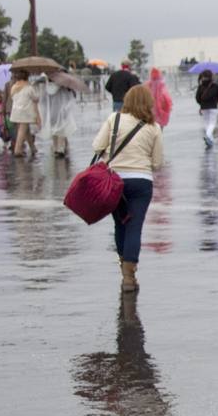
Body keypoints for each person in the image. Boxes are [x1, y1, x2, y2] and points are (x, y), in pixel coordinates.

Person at [92, 85, 165, 292]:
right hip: (141, 182)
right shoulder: (154, 128)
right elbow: (158, 163)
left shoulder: (113, 120)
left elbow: (97, 146)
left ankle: (124, 268)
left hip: (114, 180)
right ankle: (129, 277)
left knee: (119, 224)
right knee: (134, 226)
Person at [33, 74, 78, 158]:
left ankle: (55, 147)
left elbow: (42, 100)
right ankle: (60, 149)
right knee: (61, 130)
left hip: (50, 112)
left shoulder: (44, 86)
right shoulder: (62, 85)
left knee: (53, 130)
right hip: (61, 111)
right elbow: (69, 98)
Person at [9, 69, 38, 157]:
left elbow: (12, 97)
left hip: (15, 111)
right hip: (25, 112)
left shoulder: (14, 87)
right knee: (22, 131)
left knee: (26, 131)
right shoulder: (29, 87)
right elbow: (35, 98)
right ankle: (17, 150)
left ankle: (33, 148)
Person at [194, 69, 218, 148]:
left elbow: (197, 98)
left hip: (204, 108)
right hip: (213, 107)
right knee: (212, 124)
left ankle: (210, 140)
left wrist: (201, 104)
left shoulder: (200, 86)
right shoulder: (215, 86)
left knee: (207, 124)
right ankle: (208, 136)